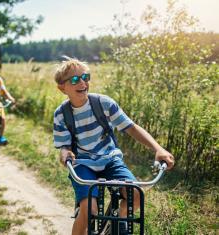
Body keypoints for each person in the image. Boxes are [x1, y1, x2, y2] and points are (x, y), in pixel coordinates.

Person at [52, 56, 175, 235]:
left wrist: (158, 149)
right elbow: (64, 147)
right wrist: (64, 154)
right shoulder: (61, 114)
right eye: (75, 79)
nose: (83, 83)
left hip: (110, 159)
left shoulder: (103, 103)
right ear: (62, 88)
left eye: (86, 77)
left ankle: (117, 223)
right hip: (83, 163)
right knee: (89, 212)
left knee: (136, 195)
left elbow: (131, 128)